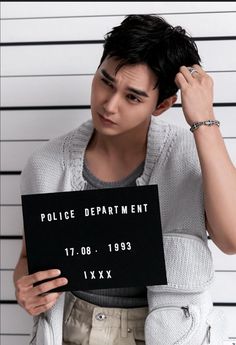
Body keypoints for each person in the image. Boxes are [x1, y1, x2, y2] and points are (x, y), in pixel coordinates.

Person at [14, 14, 236, 345]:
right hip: (71, 330)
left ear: (162, 105)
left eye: (132, 97)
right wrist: (24, 289)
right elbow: (29, 258)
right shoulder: (46, 164)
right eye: (105, 81)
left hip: (167, 333)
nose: (109, 104)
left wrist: (204, 120)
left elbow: (232, 239)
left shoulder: (188, 156)